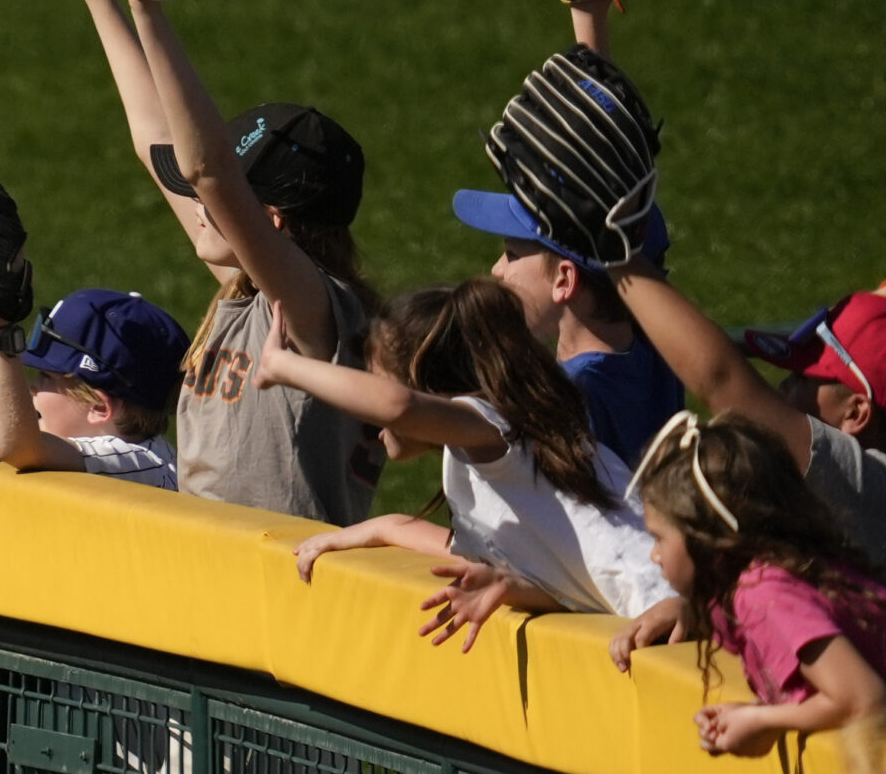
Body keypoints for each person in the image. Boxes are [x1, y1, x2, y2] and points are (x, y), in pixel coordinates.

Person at [70, 0, 383, 523]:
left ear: (268, 223)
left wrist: (150, 8)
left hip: (285, 592)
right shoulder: (245, 293)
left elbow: (207, 171)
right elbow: (156, 143)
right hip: (219, 577)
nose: (195, 207)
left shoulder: (312, 313)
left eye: (213, 202)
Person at [263, 278, 674, 647]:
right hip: (650, 612)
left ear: (430, 387)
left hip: (671, 601)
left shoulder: (495, 428)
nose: (366, 413)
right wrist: (383, 527)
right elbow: (469, 554)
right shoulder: (488, 463)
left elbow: (397, 406)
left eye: (373, 381)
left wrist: (284, 366)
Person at [604, 273, 886, 665]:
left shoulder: (869, 484)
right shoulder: (809, 491)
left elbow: (722, 381)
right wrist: (705, 609)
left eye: (802, 378)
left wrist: (621, 263)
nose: (782, 387)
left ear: (855, 412)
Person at [454, 0, 685, 464]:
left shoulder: (566, 406)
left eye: (512, 254)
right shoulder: (653, 344)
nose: (496, 269)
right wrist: (589, 8)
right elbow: (605, 171)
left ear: (564, 279)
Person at [632, 413, 886, 767]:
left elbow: (864, 697)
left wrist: (762, 721)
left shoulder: (763, 594)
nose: (654, 555)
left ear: (710, 540)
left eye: (660, 538)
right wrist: (753, 713)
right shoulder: (758, 583)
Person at [0, 288, 188, 493]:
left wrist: (0, 331)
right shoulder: (133, 446)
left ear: (98, 406)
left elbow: (19, 446)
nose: (32, 387)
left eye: (46, 377)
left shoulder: (140, 462)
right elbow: (19, 434)